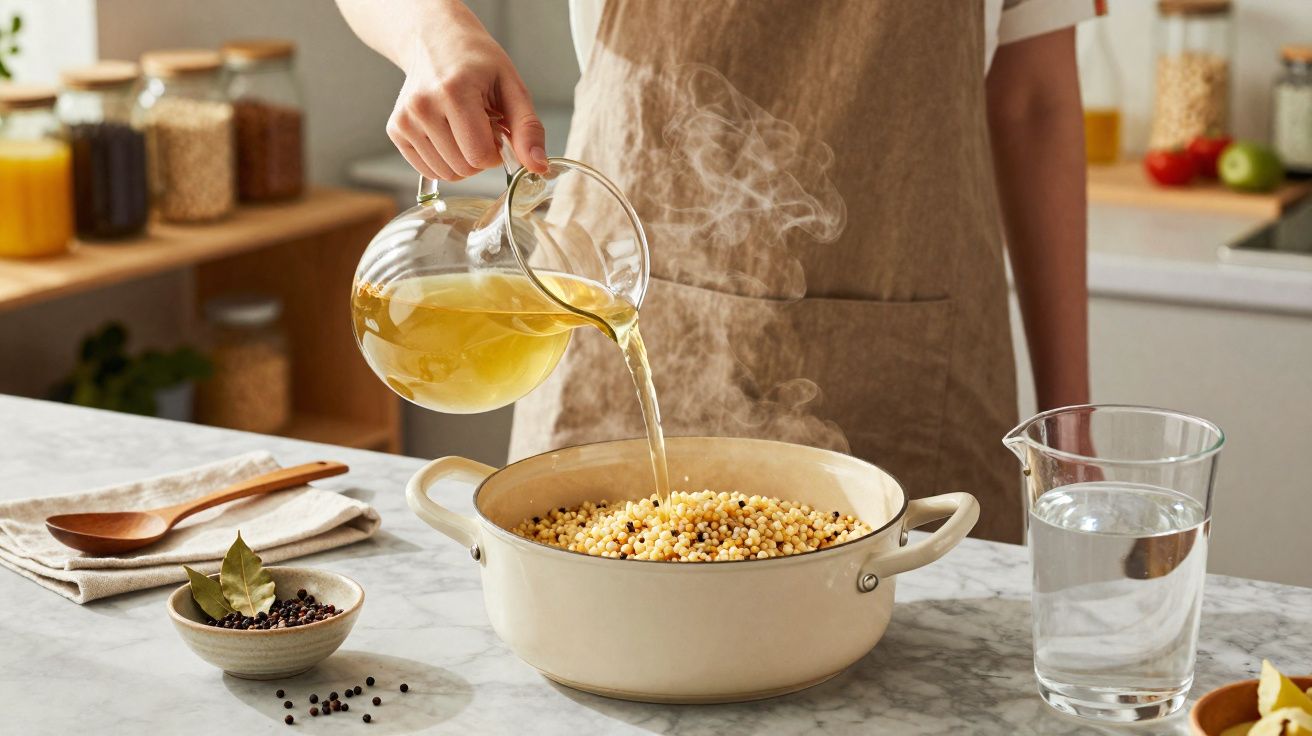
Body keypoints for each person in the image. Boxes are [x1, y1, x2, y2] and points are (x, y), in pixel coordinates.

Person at [337, 0, 1095, 543]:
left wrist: (1073, 435)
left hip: (914, 370)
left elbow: (1035, 104)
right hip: (608, 302)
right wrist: (434, 29)